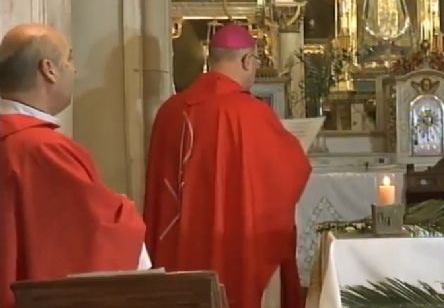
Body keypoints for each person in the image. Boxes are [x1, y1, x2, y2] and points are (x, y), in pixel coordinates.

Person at [144, 23, 311, 308]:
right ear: (247, 60)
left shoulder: (169, 112)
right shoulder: (252, 114)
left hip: (179, 247)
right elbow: (292, 171)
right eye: (255, 61)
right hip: (234, 245)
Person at [0, 24, 148, 308]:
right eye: (69, 58)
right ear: (49, 70)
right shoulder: (44, 150)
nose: (74, 70)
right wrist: (123, 209)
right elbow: (97, 234)